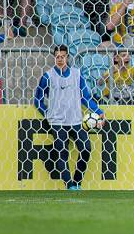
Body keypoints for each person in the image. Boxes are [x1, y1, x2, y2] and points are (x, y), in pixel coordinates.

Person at [34, 45, 106, 191]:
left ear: (67, 57)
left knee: (86, 148)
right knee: (62, 152)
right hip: (57, 121)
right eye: (57, 57)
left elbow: (85, 97)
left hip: (76, 120)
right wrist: (47, 114)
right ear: (54, 58)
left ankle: (77, 181)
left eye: (63, 56)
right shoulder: (48, 76)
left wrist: (98, 111)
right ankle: (70, 186)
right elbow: (38, 100)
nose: (60, 59)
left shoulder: (77, 74)